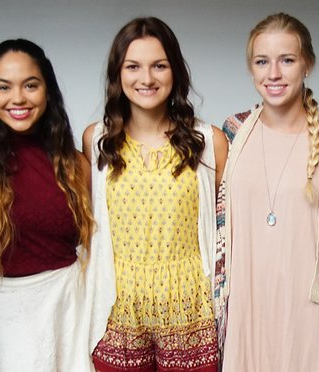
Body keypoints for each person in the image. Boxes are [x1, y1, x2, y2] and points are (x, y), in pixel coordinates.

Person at [82, 17, 227, 371]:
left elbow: (226, 233)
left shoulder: (209, 143)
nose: (146, 79)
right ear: (118, 73)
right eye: (133, 66)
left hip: (190, 306)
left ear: (175, 71)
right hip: (118, 307)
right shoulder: (95, 141)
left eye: (159, 66)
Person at [212, 12, 319, 372]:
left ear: (308, 65)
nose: (273, 74)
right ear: (251, 68)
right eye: (262, 62)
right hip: (244, 303)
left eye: (287, 60)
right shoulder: (233, 131)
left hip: (307, 308)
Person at [0, 39, 94, 371]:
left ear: (47, 91)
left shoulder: (74, 164)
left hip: (65, 309)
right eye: (4, 86)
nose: (18, 98)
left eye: (30, 85)